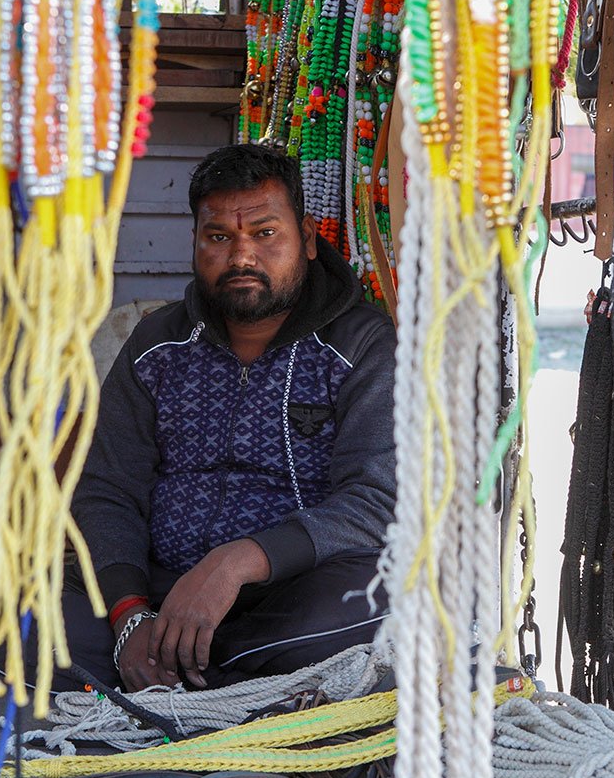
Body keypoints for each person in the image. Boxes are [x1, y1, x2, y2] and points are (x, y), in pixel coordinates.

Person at [66, 143, 396, 692]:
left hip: (295, 599)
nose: (242, 257)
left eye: (265, 234)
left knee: (378, 602)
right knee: (5, 615)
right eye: (219, 237)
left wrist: (238, 563)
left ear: (308, 240)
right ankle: (176, 663)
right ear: (196, 243)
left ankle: (194, 672)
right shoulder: (158, 345)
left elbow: (378, 501)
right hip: (156, 594)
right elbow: (106, 490)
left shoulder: (362, 346)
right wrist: (128, 613)